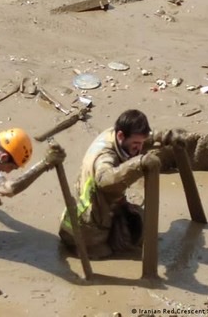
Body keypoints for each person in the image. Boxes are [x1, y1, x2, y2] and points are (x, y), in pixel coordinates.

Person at [58, 109, 187, 259]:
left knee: (139, 221)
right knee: (110, 250)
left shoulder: (116, 134)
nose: (139, 148)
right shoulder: (104, 156)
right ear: (121, 136)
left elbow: (144, 138)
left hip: (97, 207)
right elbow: (105, 181)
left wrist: (166, 136)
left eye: (141, 143)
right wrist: (138, 164)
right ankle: (87, 245)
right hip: (87, 225)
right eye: (135, 144)